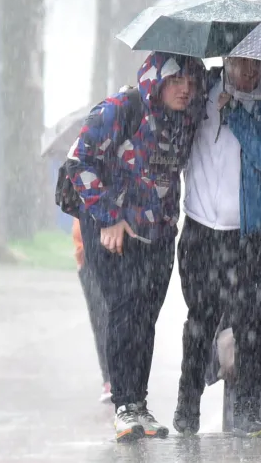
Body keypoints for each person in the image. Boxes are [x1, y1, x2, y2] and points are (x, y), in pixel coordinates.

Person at [68, 52, 204, 442]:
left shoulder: (186, 117)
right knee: (125, 312)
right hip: (113, 232)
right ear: (157, 78)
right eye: (177, 80)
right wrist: (110, 216)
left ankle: (139, 404)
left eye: (191, 82)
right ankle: (124, 404)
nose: (185, 89)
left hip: (159, 233)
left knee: (145, 319)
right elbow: (79, 161)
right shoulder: (121, 108)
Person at [173, 56, 261, 437]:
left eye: (254, 63)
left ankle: (245, 413)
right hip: (200, 231)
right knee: (200, 322)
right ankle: (187, 407)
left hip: (249, 235)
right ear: (226, 60)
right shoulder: (199, 90)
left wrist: (237, 113)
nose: (249, 71)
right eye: (241, 63)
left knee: (250, 326)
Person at [72, 217, 111, 403]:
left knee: (124, 315)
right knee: (100, 317)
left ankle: (127, 377)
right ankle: (110, 379)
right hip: (89, 251)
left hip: (124, 244)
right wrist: (80, 250)